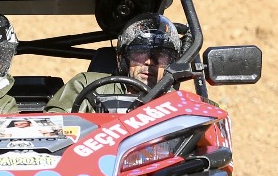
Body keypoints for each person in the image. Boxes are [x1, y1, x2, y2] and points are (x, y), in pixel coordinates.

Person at [47, 13, 184, 114]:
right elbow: (54, 127)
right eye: (140, 53)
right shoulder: (86, 85)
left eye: (161, 56)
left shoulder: (176, 102)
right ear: (121, 59)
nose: (149, 62)